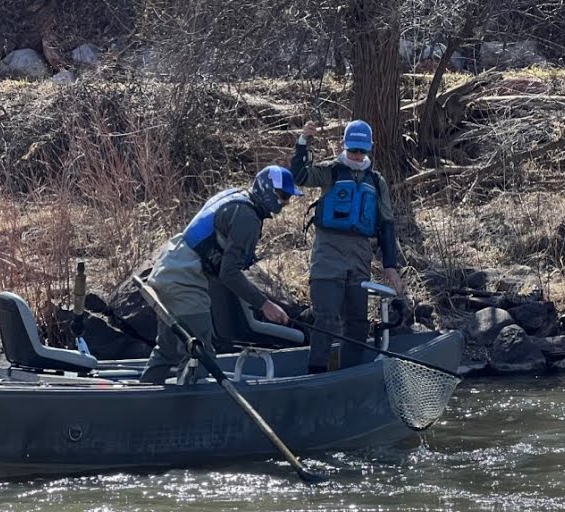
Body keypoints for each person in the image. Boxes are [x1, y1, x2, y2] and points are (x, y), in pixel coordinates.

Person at [139, 165, 297, 384]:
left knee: (167, 350)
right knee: (200, 354)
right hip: (186, 282)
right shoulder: (248, 219)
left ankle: (143, 401)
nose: (286, 203)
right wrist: (265, 304)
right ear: (268, 190)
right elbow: (229, 273)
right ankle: (192, 412)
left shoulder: (235, 197)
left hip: (166, 269)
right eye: (283, 196)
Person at [291, 119, 404, 374]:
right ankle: (316, 374)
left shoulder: (376, 181)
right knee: (326, 318)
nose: (356, 155)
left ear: (369, 149)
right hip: (327, 254)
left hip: (359, 257)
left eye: (361, 150)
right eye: (353, 149)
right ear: (345, 146)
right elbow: (299, 175)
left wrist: (390, 267)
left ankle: (348, 373)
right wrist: (303, 142)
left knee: (357, 323)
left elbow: (386, 224)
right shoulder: (330, 171)